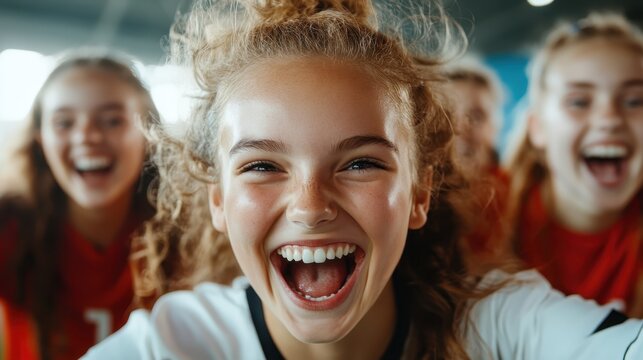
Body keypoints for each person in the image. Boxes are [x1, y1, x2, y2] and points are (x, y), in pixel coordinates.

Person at [84, 1, 643, 359]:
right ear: (219, 202)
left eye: (360, 163)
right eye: (262, 166)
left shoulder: (495, 325)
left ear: (420, 193)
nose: (309, 205)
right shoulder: (176, 345)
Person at [0, 53, 160, 360]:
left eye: (113, 120)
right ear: (40, 139)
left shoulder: (196, 238)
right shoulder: (11, 228)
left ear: (148, 133)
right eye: (64, 123)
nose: (87, 136)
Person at [505, 13, 643, 316]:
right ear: (538, 128)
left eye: (635, 101)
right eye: (579, 101)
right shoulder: (483, 217)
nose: (610, 119)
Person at [436, 57, 511, 273]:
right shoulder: (422, 196)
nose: (460, 129)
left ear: (497, 126)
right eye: (447, 115)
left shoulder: (516, 193)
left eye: (476, 116)